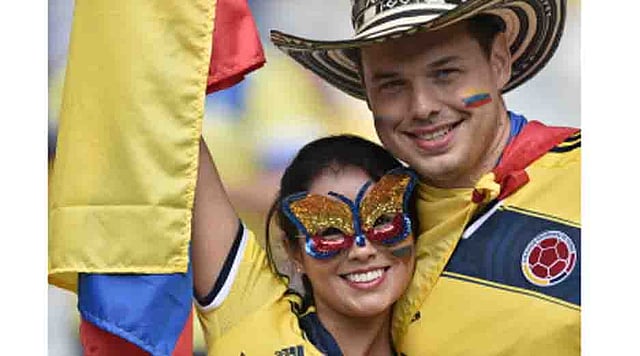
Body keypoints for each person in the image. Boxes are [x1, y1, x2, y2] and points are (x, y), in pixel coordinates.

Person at [270, 0, 580, 355]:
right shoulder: (379, 227)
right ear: (367, 94)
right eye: (391, 85)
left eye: (445, 74)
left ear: (499, 62)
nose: (422, 107)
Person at [191, 134, 420, 355]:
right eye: (330, 232)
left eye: (382, 221)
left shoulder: (446, 341)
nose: (363, 249)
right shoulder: (250, 315)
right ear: (294, 252)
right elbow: (177, 129)